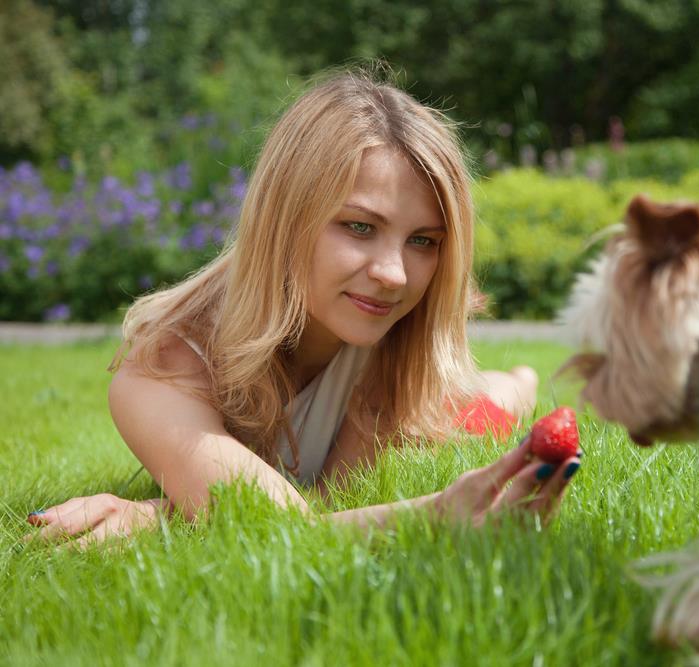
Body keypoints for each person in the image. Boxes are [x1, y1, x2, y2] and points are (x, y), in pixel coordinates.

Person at [26, 71, 581, 548]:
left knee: (488, 404)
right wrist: (436, 516)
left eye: (424, 241)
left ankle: (519, 382)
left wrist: (157, 516)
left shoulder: (387, 339)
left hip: (444, 395)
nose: (394, 274)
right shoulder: (163, 368)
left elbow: (319, 505)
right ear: (284, 220)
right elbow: (284, 528)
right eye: (359, 227)